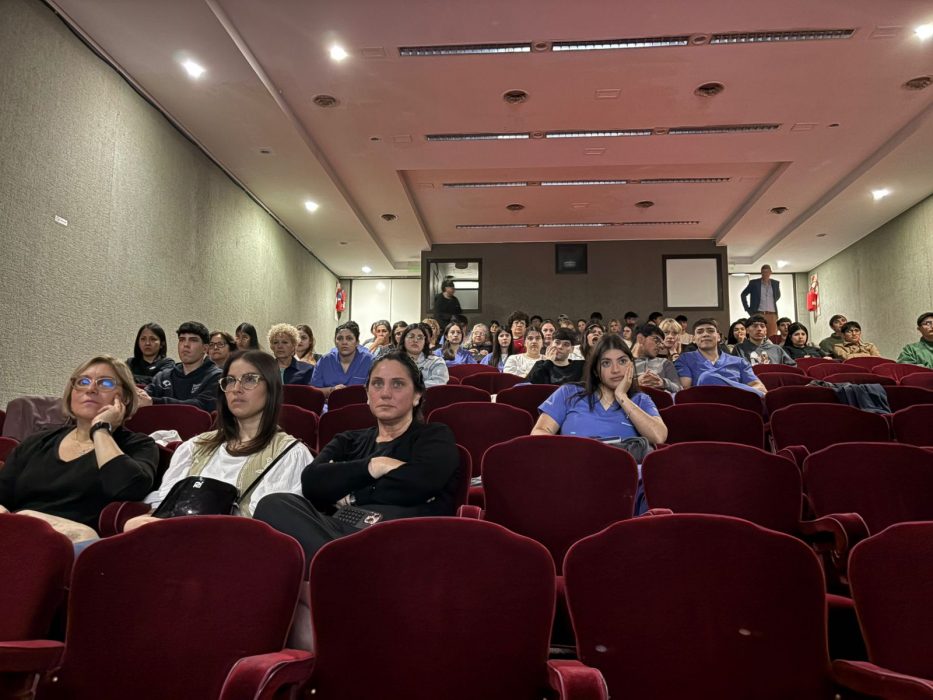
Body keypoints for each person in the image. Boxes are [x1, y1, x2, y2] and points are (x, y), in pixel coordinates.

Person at [252, 352, 461, 561]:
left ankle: (339, 568)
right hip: (338, 530)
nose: (385, 393)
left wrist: (351, 494)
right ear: (367, 394)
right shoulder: (348, 440)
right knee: (274, 504)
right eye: (377, 384)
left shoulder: (434, 436)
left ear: (417, 395)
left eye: (397, 384)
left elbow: (422, 482)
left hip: (401, 534)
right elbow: (312, 482)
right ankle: (347, 568)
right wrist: (374, 466)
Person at [125, 351, 310, 529]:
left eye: (249, 379)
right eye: (230, 381)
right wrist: (145, 519)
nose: (236, 389)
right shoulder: (195, 446)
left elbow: (275, 528)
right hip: (174, 543)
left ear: (271, 387)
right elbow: (164, 507)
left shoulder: (290, 454)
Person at [0, 355, 157, 539]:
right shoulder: (36, 442)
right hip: (18, 536)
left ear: (126, 398)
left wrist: (100, 429)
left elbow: (127, 488)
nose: (90, 389)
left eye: (105, 383)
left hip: (77, 547)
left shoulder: (139, 445)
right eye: (83, 381)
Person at [532, 334, 668, 446]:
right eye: (606, 363)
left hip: (621, 472)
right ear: (596, 371)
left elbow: (658, 436)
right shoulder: (568, 392)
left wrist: (622, 397)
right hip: (574, 467)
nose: (615, 370)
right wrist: (569, 450)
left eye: (622, 361)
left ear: (631, 365)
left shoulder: (640, 399)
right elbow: (539, 432)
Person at [138, 322, 223, 412]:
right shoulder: (163, 376)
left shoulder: (216, 376)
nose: (186, 345)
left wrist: (154, 402)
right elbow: (144, 398)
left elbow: (201, 405)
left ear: (205, 349)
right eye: (182, 339)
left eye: (193, 340)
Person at [675, 319, 767, 394]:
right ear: (694, 339)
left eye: (710, 331)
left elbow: (761, 389)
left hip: (738, 404)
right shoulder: (685, 359)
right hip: (706, 406)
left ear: (718, 337)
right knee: (707, 378)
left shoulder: (739, 361)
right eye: (700, 332)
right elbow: (685, 391)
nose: (705, 334)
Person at [311, 323, 374, 397]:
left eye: (349, 338)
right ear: (335, 342)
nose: (344, 342)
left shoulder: (369, 361)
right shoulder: (324, 361)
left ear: (357, 342)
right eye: (340, 338)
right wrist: (332, 390)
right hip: (330, 406)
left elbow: (376, 389)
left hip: (359, 406)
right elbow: (314, 390)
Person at [633, 325, 682, 394]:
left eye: (661, 343)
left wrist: (663, 383)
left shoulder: (665, 363)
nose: (661, 346)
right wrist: (635, 383)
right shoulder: (624, 362)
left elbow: (679, 389)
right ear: (640, 339)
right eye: (656, 340)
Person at [732, 315, 796, 366]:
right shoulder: (739, 349)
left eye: (762, 326)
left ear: (766, 331)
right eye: (755, 326)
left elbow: (792, 366)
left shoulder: (776, 349)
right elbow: (734, 370)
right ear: (747, 330)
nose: (759, 329)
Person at [740, 264, 781, 336]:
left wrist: (770, 302)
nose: (765, 274)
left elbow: (777, 296)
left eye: (767, 272)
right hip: (758, 313)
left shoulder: (775, 283)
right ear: (761, 272)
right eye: (763, 272)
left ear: (770, 272)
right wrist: (747, 309)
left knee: (772, 336)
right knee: (757, 334)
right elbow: (743, 294)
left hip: (772, 314)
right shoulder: (754, 283)